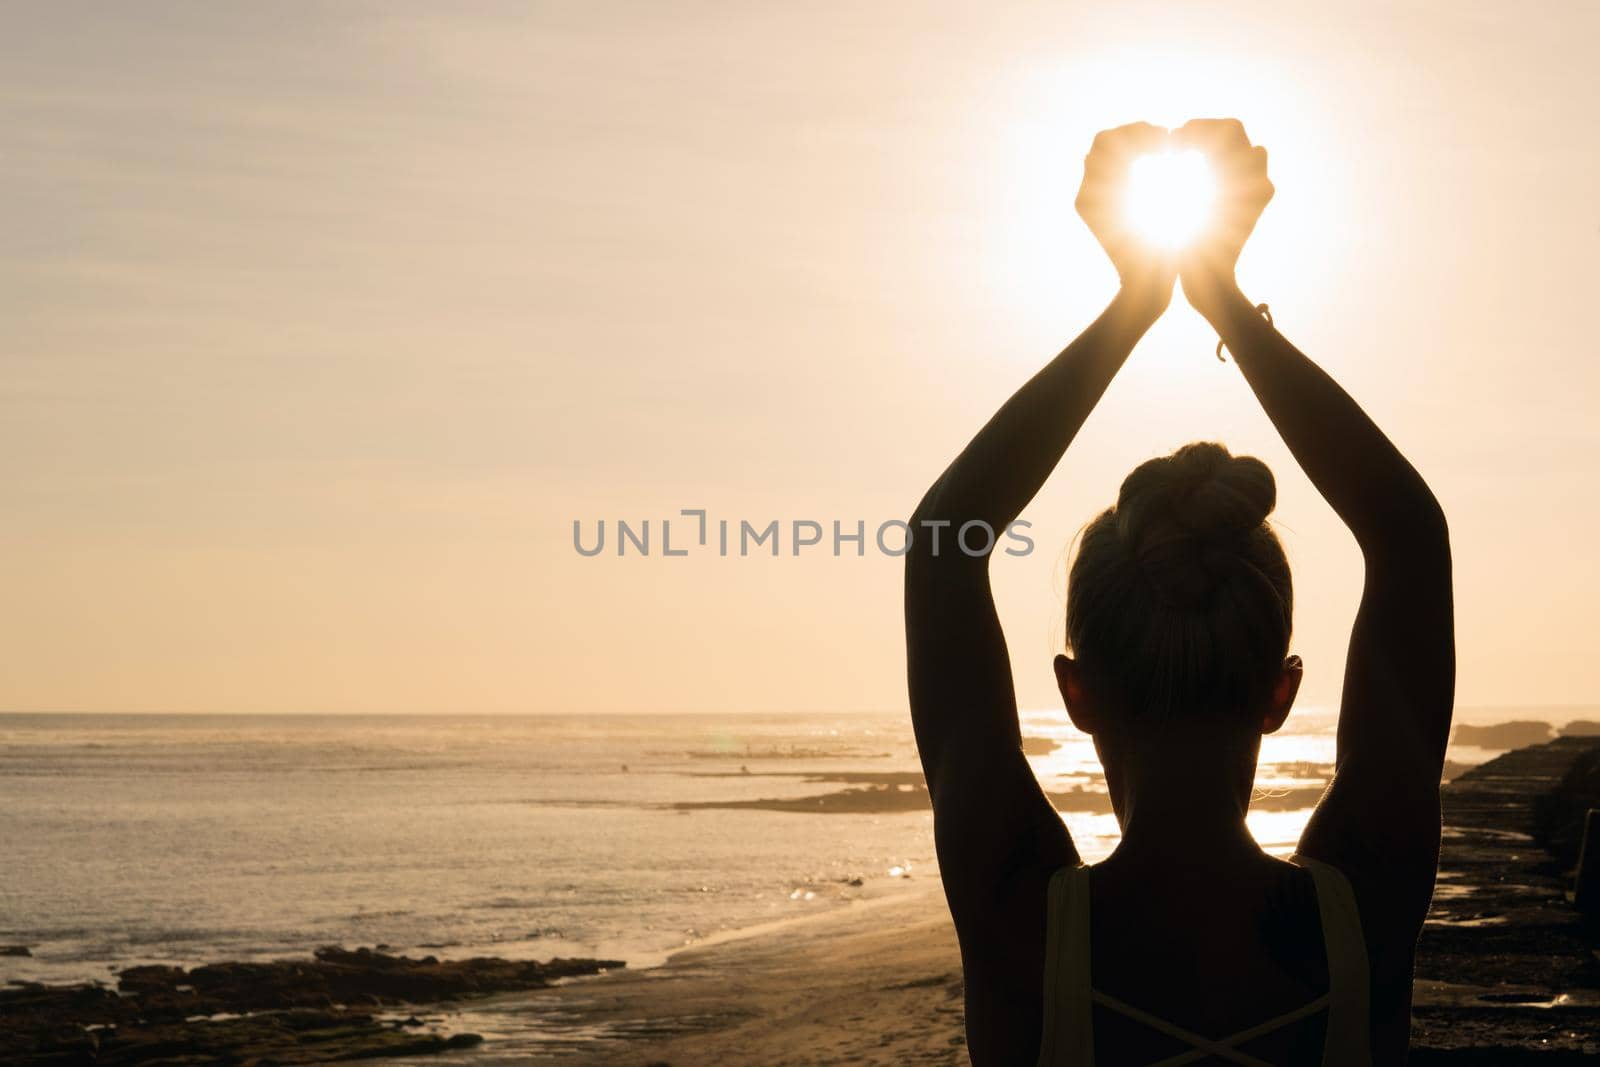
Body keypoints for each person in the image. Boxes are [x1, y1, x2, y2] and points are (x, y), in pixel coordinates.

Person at [904, 119, 1454, 1066]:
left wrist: (1135, 303)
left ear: (1076, 695)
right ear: (1281, 692)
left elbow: (941, 547)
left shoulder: (1023, 925)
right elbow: (1408, 537)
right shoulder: (1358, 916)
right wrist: (1224, 301)